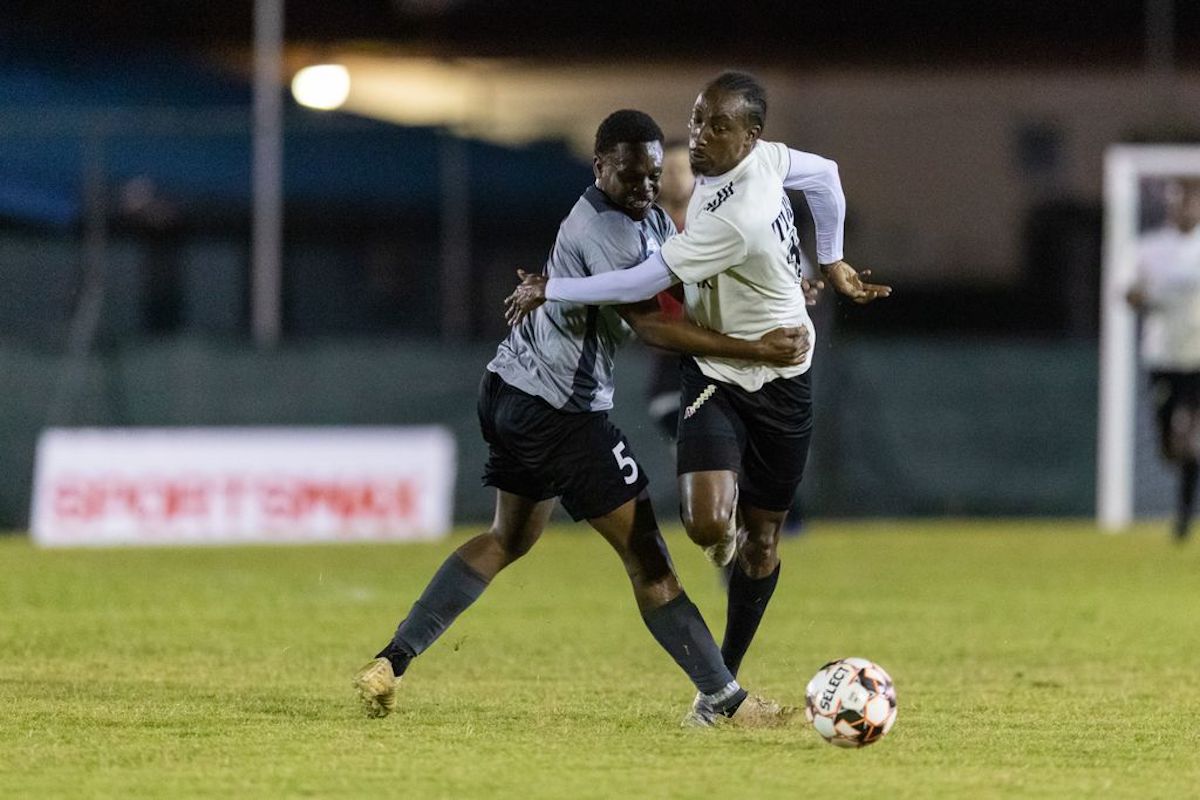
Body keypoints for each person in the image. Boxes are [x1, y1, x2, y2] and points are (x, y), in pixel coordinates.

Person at [355, 109, 812, 727]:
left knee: (508, 538)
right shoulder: (605, 229)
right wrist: (759, 348)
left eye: (653, 175)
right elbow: (654, 326)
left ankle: (391, 660)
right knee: (648, 556)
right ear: (599, 167)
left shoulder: (641, 215)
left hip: (511, 389)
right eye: (630, 176)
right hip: (559, 413)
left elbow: (676, 283)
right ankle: (727, 704)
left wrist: (767, 281)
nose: (646, 187)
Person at [505, 71, 890, 695]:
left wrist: (554, 285)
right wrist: (831, 258)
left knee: (762, 545)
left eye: (717, 127)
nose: (699, 137)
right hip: (716, 373)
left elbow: (636, 287)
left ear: (750, 136)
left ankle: (727, 676)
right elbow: (825, 177)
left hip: (783, 378)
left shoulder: (735, 214)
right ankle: (723, 582)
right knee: (707, 525)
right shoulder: (764, 161)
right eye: (696, 120)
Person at [1127, 177, 1200, 540]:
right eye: (1178, 202)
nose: (1184, 208)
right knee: (1170, 445)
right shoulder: (1150, 249)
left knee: (1189, 434)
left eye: (1190, 201)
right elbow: (1129, 295)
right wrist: (1141, 296)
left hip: (1198, 358)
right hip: (1162, 356)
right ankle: (1175, 451)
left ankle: (1184, 517)